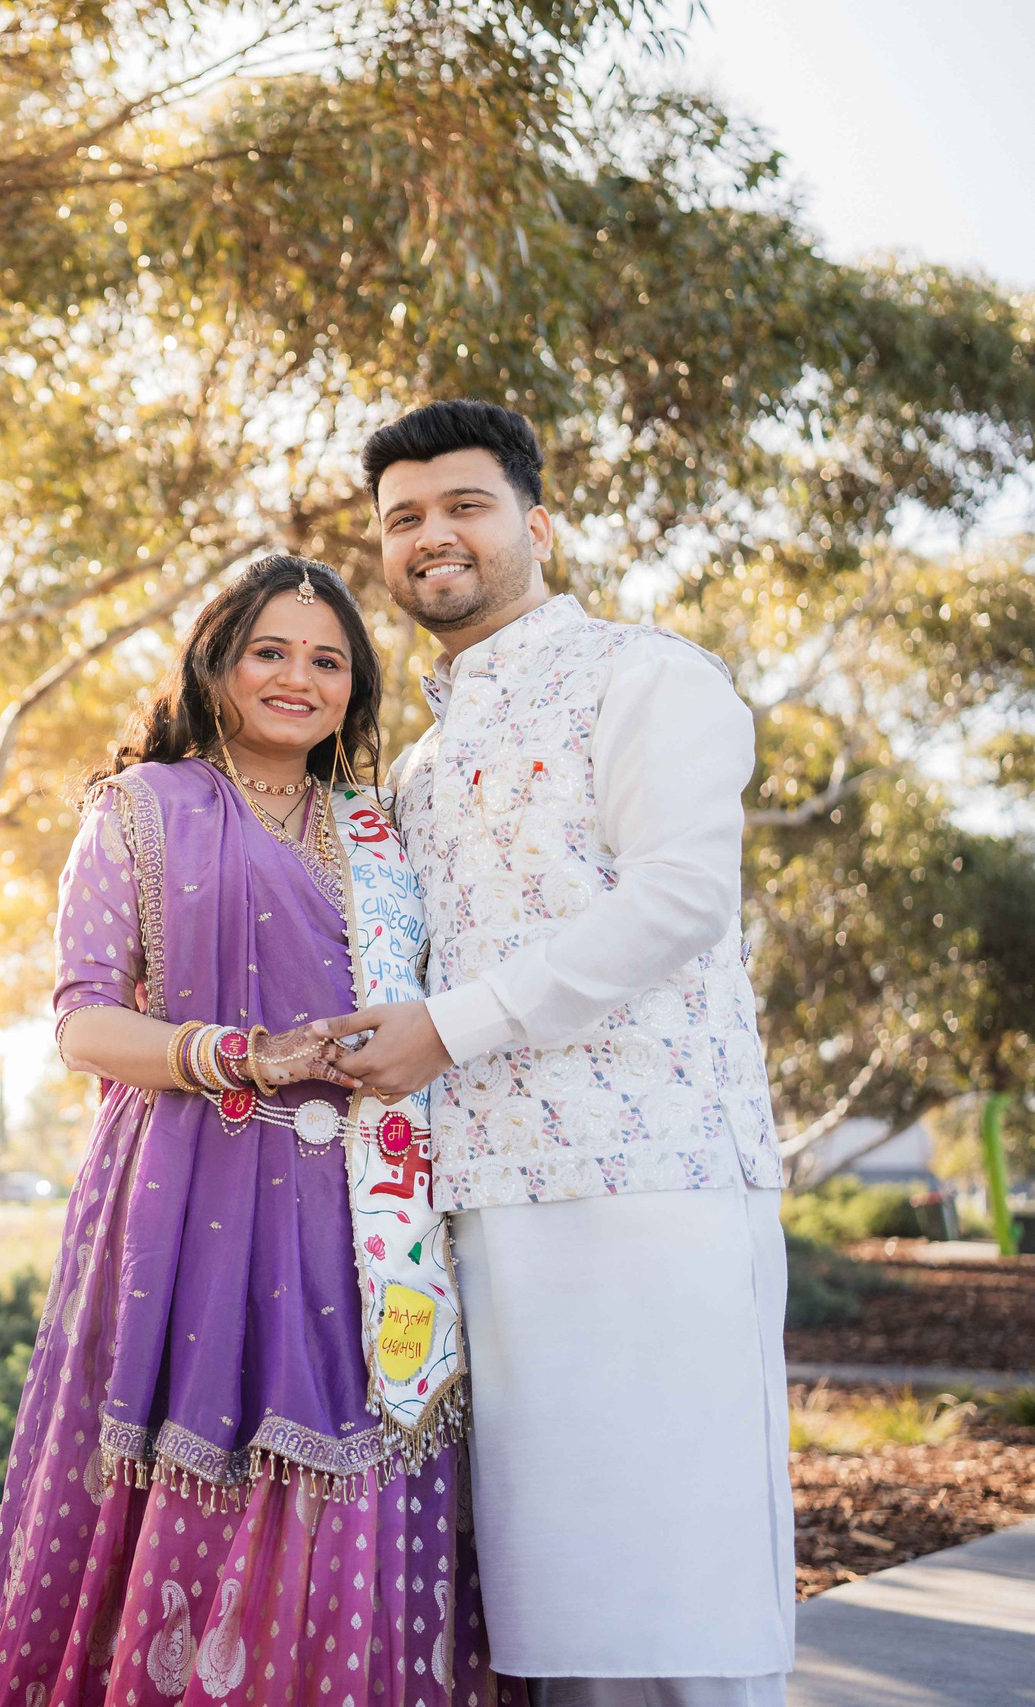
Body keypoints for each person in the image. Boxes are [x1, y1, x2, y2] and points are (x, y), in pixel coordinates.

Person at [0, 553, 523, 1707]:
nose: (297, 677)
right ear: (216, 664)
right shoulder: (138, 808)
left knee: (356, 1463)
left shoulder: (383, 831)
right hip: (189, 1195)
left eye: (327, 660)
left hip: (364, 1212)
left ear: (353, 691)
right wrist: (235, 1054)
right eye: (269, 651)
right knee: (202, 1462)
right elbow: (82, 1022)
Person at [322, 401, 795, 1706]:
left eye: (465, 504)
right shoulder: (416, 763)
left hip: (659, 1183)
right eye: (404, 517)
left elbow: (677, 900)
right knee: (562, 1624)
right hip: (485, 1200)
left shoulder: (650, 675)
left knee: (683, 1602)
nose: (433, 536)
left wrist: (445, 1029)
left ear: (539, 524)